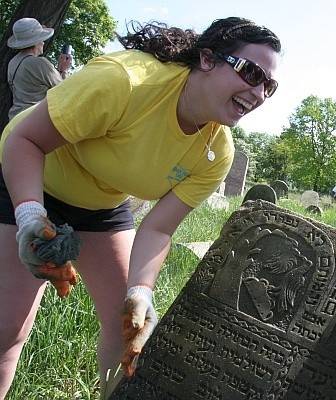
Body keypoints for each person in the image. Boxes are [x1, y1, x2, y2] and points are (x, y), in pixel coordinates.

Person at [0, 17, 281, 398]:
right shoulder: (125, 81)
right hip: (29, 176)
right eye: (251, 73)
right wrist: (30, 216)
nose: (260, 92)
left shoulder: (217, 153)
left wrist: (142, 292)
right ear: (207, 60)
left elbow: (159, 229)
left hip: (102, 205)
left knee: (128, 327)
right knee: (8, 329)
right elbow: (26, 140)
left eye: (270, 85)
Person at [7, 17, 72, 121]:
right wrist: (64, 70)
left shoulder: (12, 62)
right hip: (34, 122)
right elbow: (65, 91)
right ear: (36, 41)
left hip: (15, 121)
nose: (43, 42)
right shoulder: (39, 63)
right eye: (42, 39)